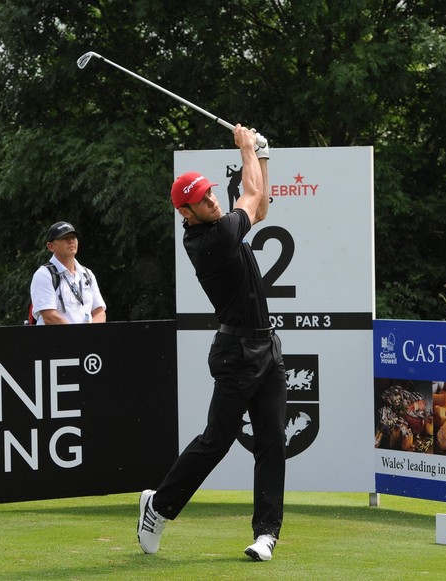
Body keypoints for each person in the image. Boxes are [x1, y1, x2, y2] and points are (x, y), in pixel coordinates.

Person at [137, 125, 287, 562]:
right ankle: (158, 507)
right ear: (186, 213)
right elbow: (252, 197)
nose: (210, 199)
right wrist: (248, 149)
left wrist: (264, 155)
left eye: (209, 193)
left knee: (273, 440)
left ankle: (266, 534)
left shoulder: (222, 225)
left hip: (267, 347)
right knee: (216, 441)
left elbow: (260, 209)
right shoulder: (212, 238)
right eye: (201, 199)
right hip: (236, 354)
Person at [29, 221, 106, 325]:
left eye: (73, 237)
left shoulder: (87, 274)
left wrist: (91, 336)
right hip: (56, 340)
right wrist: (77, 337)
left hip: (86, 339)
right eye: (64, 238)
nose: (71, 241)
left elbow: (100, 312)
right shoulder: (43, 275)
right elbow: (50, 317)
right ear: (51, 246)